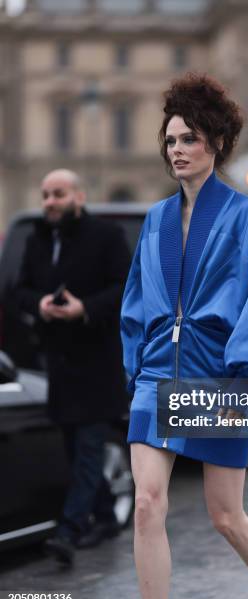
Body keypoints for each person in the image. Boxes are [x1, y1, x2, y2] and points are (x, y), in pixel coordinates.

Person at [121, 74, 248, 599]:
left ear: (218, 144)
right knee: (147, 505)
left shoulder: (245, 215)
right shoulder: (154, 219)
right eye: (171, 140)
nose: (177, 150)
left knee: (225, 516)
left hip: (219, 379)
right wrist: (134, 365)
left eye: (190, 139)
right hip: (157, 378)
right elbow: (136, 299)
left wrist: (244, 380)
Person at [15, 169, 131, 564]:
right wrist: (40, 305)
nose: (50, 201)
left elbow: (125, 288)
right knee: (74, 448)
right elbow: (20, 290)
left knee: (87, 448)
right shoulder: (37, 239)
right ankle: (105, 517)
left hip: (97, 363)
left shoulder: (107, 237)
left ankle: (70, 529)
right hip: (58, 365)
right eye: (45, 194)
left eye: (58, 193)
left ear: (78, 196)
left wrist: (86, 309)